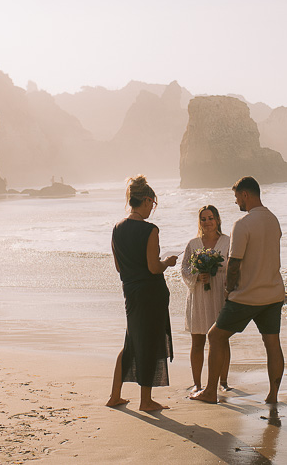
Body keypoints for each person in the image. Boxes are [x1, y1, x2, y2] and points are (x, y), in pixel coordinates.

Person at [190, 176, 285, 404]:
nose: (236, 203)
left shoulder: (242, 224)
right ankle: (272, 395)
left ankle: (210, 391)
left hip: (247, 295)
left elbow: (234, 263)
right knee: (272, 344)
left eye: (236, 197)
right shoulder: (274, 220)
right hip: (273, 294)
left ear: (245, 194)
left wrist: (228, 291)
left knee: (215, 336)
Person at [106, 175, 178, 411]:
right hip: (150, 294)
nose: (152, 209)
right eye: (153, 204)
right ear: (146, 200)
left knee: (132, 342)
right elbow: (153, 267)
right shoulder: (150, 230)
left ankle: (115, 395)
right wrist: (167, 262)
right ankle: (145, 400)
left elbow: (118, 267)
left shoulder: (117, 228)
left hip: (131, 293)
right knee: (148, 343)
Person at [180, 205, 232, 392]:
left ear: (217, 219)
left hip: (220, 295)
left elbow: (235, 267)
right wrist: (197, 275)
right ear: (199, 222)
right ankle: (197, 383)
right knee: (198, 340)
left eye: (211, 218)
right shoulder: (193, 244)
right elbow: (184, 268)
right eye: (203, 219)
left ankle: (223, 382)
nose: (207, 222)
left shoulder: (228, 242)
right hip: (199, 296)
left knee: (221, 339)